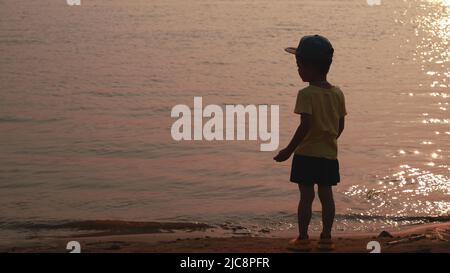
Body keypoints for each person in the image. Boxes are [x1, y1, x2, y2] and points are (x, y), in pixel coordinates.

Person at [274, 35, 347, 251]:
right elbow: (340, 125)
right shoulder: (338, 93)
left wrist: (289, 150)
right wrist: (329, 139)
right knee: (326, 196)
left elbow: (305, 126)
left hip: (306, 154)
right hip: (328, 154)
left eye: (299, 65)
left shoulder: (306, 94)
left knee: (306, 197)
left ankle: (303, 237)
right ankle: (326, 237)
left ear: (310, 67)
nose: (298, 70)